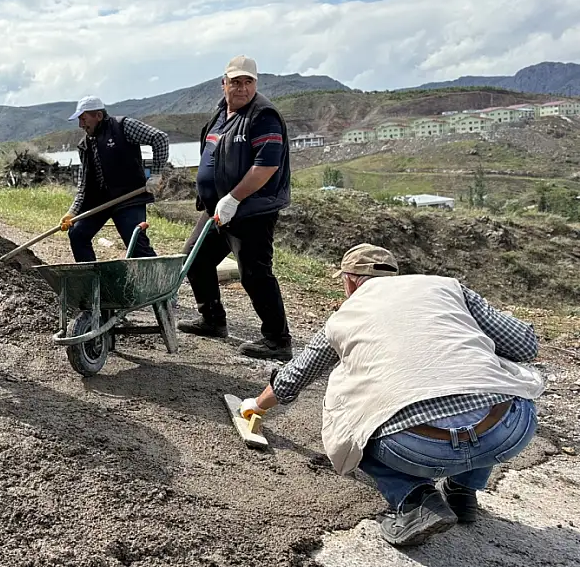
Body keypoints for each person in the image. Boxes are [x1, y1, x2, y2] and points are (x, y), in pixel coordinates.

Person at [239, 244, 545, 547]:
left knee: (354, 421)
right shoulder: (446, 288)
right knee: (484, 383)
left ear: (349, 280)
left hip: (418, 447)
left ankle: (415, 501)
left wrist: (256, 405)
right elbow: (524, 347)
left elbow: (296, 376)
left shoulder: (344, 316)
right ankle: (463, 493)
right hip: (507, 431)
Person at [177, 55, 293, 361]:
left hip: (251, 209)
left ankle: (277, 340)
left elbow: (265, 166)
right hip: (217, 209)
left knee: (254, 273)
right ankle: (212, 320)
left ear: (255, 83)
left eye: (248, 82)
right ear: (223, 83)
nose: (241, 88)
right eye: (235, 82)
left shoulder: (263, 115)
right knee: (195, 258)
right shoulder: (220, 114)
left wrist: (234, 198)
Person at [59, 96, 169, 262]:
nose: (81, 125)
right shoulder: (84, 145)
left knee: (135, 243)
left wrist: (155, 174)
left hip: (129, 198)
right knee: (77, 234)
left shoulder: (123, 126)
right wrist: (72, 212)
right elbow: (84, 185)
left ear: (98, 116)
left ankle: (159, 282)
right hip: (100, 202)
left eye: (83, 119)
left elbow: (159, 138)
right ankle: (92, 282)